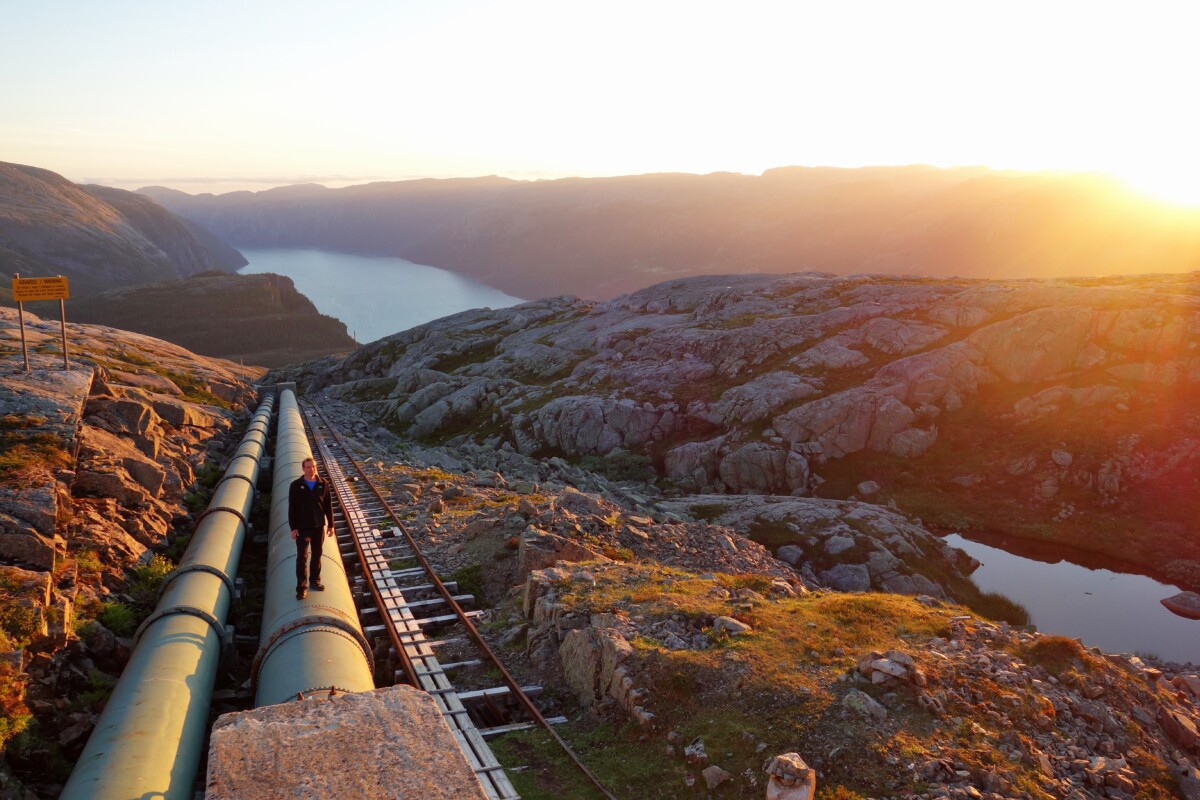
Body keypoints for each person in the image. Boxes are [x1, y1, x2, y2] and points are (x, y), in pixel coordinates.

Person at [288, 457, 334, 600]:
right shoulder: (296, 485)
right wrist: (293, 528)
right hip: (303, 528)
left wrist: (331, 525)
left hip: (318, 526)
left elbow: (328, 506)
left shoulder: (323, 484)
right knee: (302, 558)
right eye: (308, 467)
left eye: (313, 466)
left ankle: (315, 581)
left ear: (316, 467)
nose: (311, 469)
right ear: (303, 469)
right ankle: (302, 588)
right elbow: (292, 508)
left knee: (317, 554)